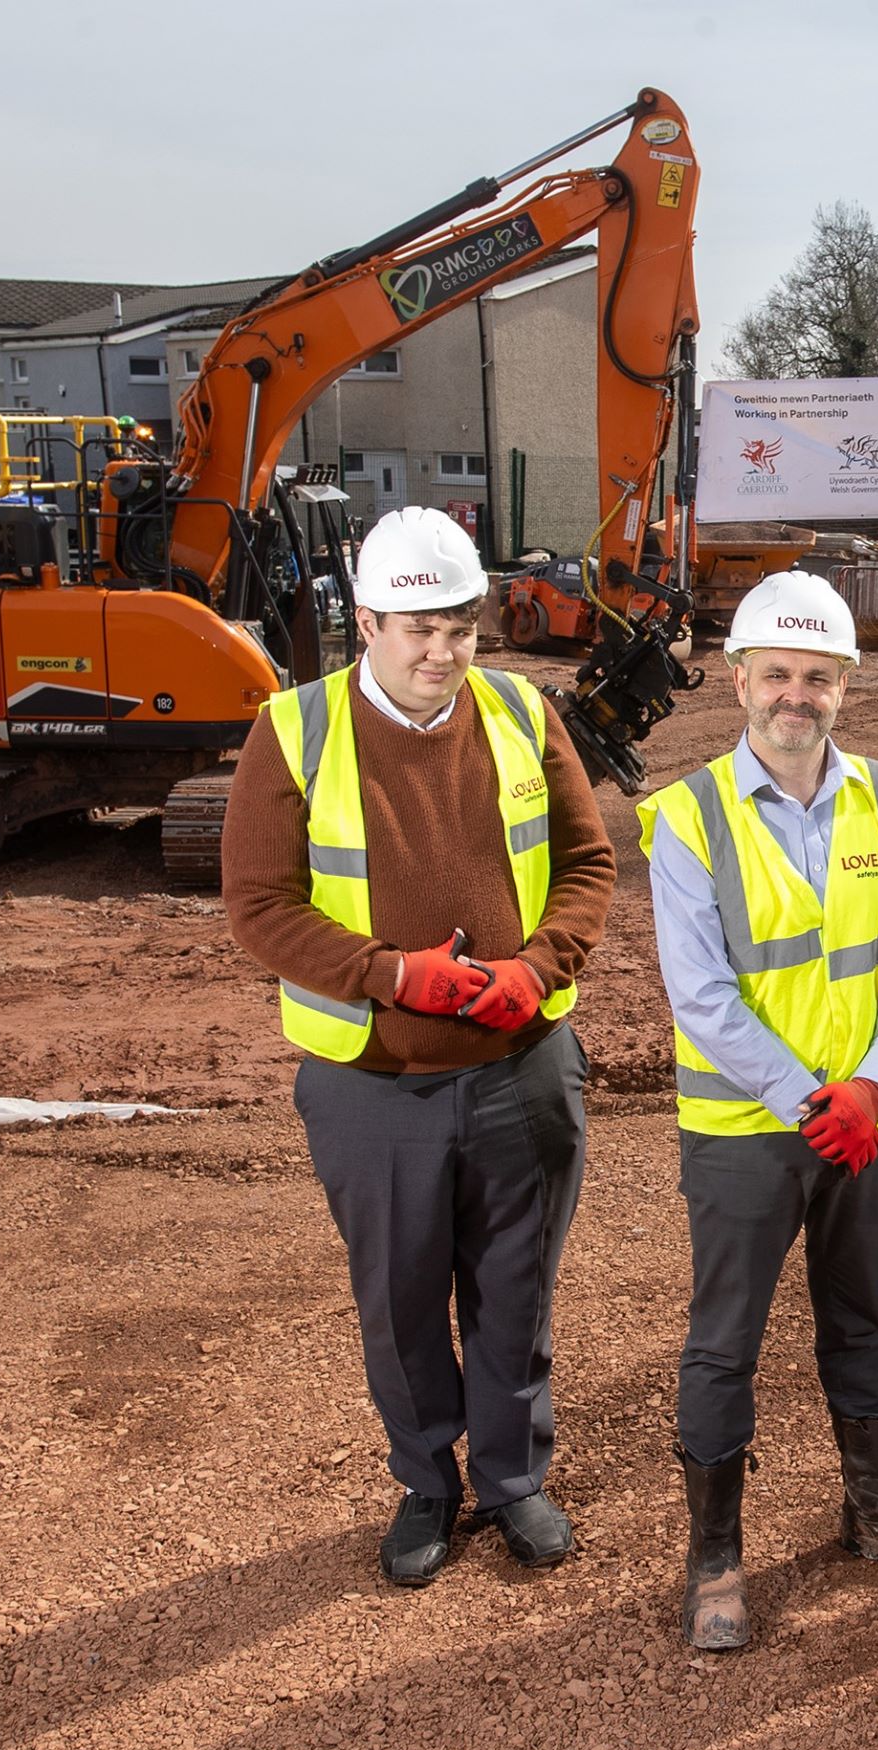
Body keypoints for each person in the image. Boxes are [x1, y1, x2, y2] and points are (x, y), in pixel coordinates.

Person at [223, 506, 615, 1587]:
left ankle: (512, 1475)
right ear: (365, 620)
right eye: (415, 628)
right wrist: (392, 973)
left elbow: (586, 863)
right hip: (372, 1081)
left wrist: (538, 968)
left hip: (520, 1068)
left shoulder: (520, 711)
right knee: (398, 1298)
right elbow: (258, 905)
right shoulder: (293, 730)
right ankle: (426, 1481)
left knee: (515, 1283)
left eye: (459, 627)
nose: (440, 651)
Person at [638, 571, 878, 1652]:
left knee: (860, 1314)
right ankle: (715, 1557)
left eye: (817, 676)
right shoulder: (688, 818)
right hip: (746, 1133)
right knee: (723, 1342)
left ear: (845, 686)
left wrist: (872, 1084)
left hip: (870, 1124)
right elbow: (701, 994)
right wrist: (804, 1099)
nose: (796, 694)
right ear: (738, 678)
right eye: (776, 673)